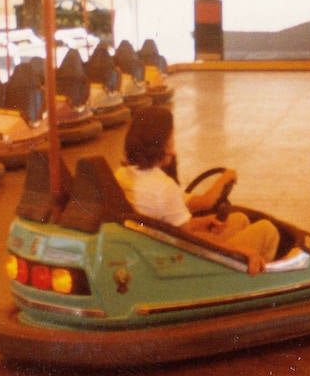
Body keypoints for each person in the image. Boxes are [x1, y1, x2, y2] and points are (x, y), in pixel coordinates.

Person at [115, 107, 279, 274]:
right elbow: (191, 243)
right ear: (163, 143)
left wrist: (201, 222)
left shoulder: (122, 174)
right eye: (171, 137)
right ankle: (256, 281)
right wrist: (239, 251)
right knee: (267, 230)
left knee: (240, 219)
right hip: (183, 261)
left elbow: (168, 227)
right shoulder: (163, 188)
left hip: (158, 247)